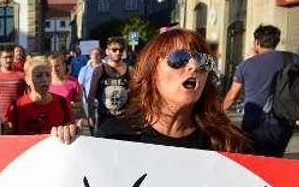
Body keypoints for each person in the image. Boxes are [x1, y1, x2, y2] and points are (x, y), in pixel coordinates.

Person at [93, 28, 248, 151]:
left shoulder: (227, 143)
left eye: (202, 61)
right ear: (151, 72)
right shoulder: (114, 136)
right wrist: (71, 143)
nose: (193, 66)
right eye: (179, 58)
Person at [222, 24, 299, 157]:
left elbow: (232, 96)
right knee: (275, 159)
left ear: (257, 42)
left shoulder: (246, 65)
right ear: (276, 42)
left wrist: (219, 112)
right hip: (284, 121)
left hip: (254, 122)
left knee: (253, 162)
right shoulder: (292, 58)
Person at [8, 55, 76, 135]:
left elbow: (71, 130)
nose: (44, 79)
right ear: (27, 80)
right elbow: (9, 138)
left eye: (48, 75)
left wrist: (74, 129)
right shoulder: (17, 106)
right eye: (39, 76)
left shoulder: (62, 102)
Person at [87, 37, 131, 130]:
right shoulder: (99, 70)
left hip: (126, 123)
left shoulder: (130, 70)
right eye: (114, 50)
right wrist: (91, 115)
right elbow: (91, 95)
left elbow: (136, 94)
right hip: (105, 122)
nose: (118, 52)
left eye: (121, 50)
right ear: (107, 51)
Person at [0, 45, 26, 133]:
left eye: (11, 57)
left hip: (17, 119)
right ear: (0, 59)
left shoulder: (21, 76)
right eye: (6, 57)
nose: (8, 60)